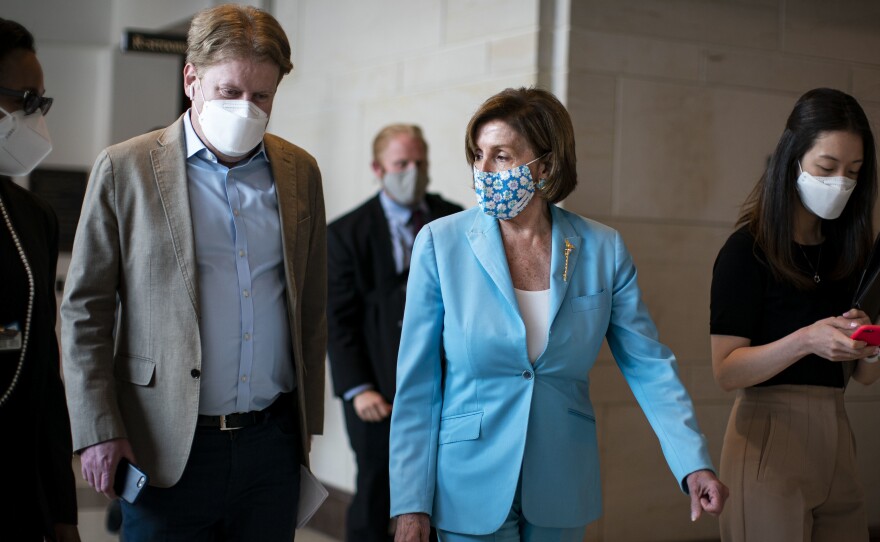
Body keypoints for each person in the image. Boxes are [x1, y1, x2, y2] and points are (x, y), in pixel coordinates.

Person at [389, 87, 728, 542]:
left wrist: (694, 463)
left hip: (562, 479)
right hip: (467, 482)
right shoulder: (440, 242)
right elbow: (418, 386)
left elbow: (649, 365)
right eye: (478, 155)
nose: (483, 171)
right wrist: (410, 502)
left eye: (502, 156)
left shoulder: (602, 249)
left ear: (544, 167)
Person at [60, 4, 326, 541]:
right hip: (165, 443)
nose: (247, 109)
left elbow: (311, 302)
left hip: (269, 444)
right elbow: (85, 311)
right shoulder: (126, 167)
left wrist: (304, 428)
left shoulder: (299, 171)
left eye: (262, 96)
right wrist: (98, 430)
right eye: (230, 92)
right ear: (191, 80)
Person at [710, 87, 880, 541]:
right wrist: (806, 339)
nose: (841, 182)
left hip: (836, 433)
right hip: (767, 436)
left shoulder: (848, 252)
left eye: (854, 172)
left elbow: (864, 377)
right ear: (793, 158)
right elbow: (726, 371)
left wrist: (869, 341)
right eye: (827, 168)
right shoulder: (747, 251)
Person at [327, 124, 462, 542]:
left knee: (444, 491)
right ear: (378, 168)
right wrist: (359, 388)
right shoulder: (346, 233)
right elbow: (337, 318)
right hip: (376, 391)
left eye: (420, 163)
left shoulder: (455, 219)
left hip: (444, 384)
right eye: (402, 163)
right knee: (375, 488)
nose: (413, 172)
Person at [0, 17, 81, 542]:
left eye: (42, 102)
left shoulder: (31, 215)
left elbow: (43, 375)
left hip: (15, 479)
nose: (37, 117)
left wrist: (63, 511)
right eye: (26, 100)